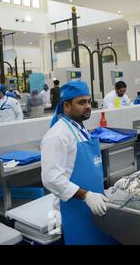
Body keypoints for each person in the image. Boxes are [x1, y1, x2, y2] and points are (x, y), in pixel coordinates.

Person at [41, 81, 115, 245]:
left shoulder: (80, 130)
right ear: (66, 105)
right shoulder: (58, 135)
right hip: (72, 213)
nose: (88, 106)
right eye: (82, 102)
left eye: (89, 101)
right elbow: (50, 178)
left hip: (92, 208)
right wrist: (86, 195)